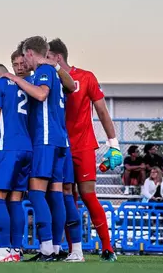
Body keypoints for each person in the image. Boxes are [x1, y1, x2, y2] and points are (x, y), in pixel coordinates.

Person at [0, 36, 72, 262]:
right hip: (60, 140)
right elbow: (71, 87)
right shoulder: (54, 71)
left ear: (30, 52)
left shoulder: (42, 71)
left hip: (45, 139)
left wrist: (13, 78)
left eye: (24, 58)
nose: (24, 66)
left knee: (37, 193)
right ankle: (56, 248)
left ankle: (47, 248)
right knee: (55, 195)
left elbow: (40, 94)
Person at [47, 37, 122, 262]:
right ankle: (73, 250)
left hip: (83, 146)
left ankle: (107, 248)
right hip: (60, 147)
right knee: (66, 198)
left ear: (57, 57)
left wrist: (114, 145)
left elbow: (102, 111)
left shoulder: (86, 77)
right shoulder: (48, 78)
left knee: (88, 196)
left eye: (47, 57)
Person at [0, 64, 32, 262]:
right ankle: (15, 250)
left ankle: (3, 251)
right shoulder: (24, 84)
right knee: (15, 201)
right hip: (27, 148)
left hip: (7, 148)